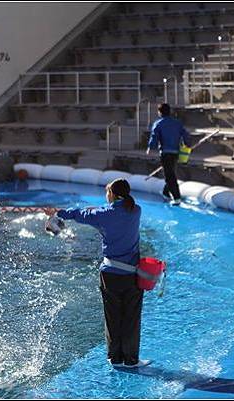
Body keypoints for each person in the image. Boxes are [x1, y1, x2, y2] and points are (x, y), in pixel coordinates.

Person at [46, 179, 148, 368]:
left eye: (107, 192)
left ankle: (115, 358)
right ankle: (131, 360)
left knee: (112, 317)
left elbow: (80, 214)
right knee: (131, 317)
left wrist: (59, 212)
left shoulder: (102, 215)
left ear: (113, 194)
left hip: (110, 274)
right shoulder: (136, 210)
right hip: (132, 275)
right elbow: (110, 210)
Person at [146, 103, 191, 205]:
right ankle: (166, 193)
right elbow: (185, 135)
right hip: (175, 152)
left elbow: (154, 137)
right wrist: (187, 145)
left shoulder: (158, 124)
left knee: (169, 175)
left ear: (159, 112)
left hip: (165, 153)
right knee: (170, 173)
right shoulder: (177, 123)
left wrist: (150, 147)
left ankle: (177, 197)